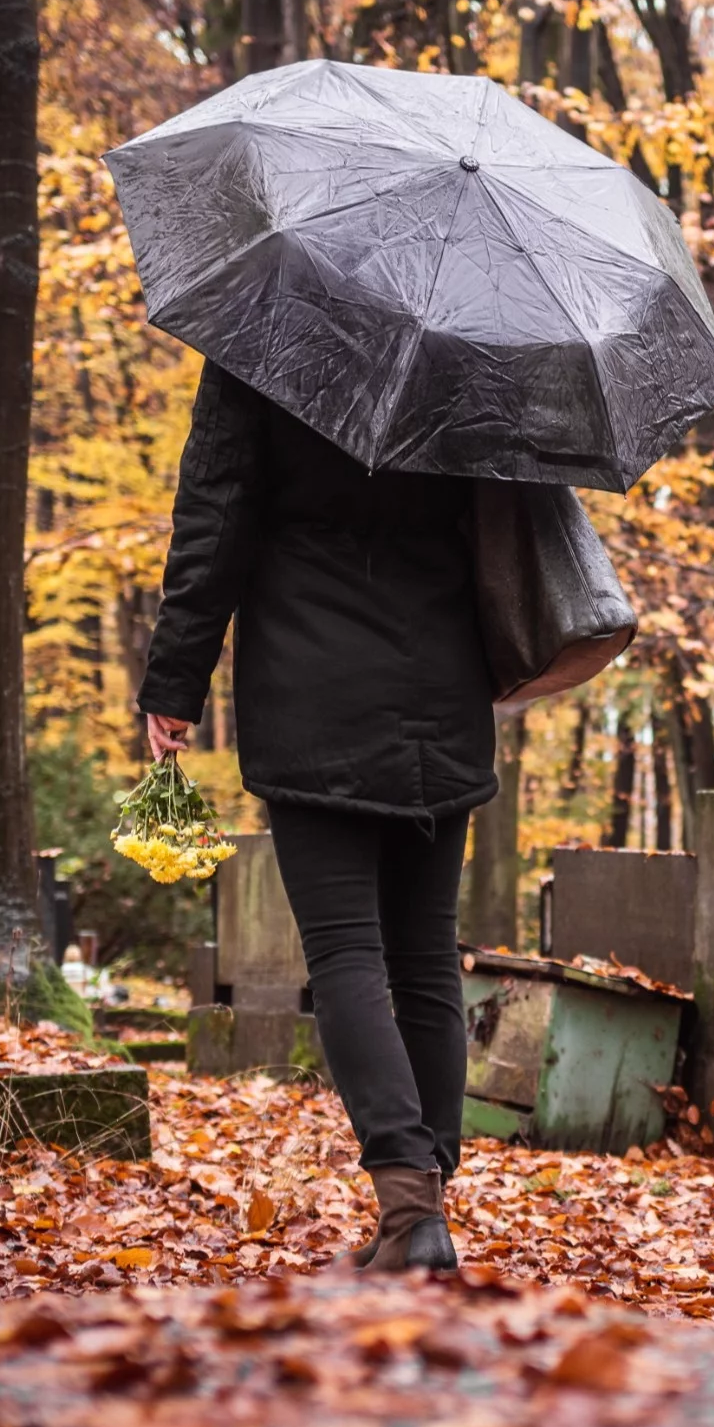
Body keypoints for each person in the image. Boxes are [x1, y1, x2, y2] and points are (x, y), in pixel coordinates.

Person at [138, 360, 497, 1272]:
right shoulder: (467, 349)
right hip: (443, 677)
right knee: (425, 954)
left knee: (346, 951)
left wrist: (176, 678)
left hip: (314, 680)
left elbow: (214, 516)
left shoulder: (265, 344)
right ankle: (428, 1211)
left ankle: (409, 1202)